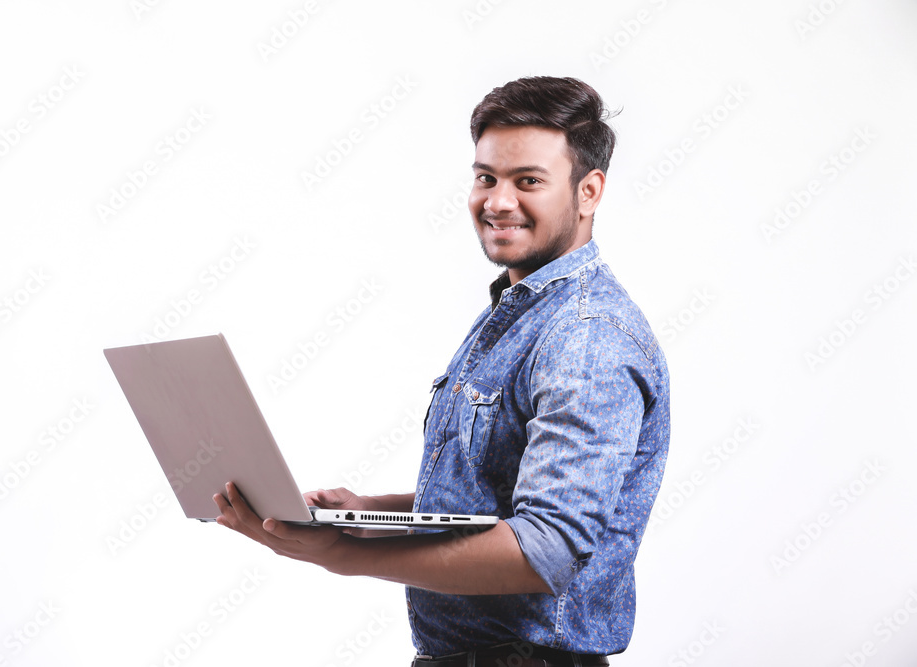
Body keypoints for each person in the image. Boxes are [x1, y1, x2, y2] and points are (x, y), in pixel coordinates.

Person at [213, 76, 670, 666]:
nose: (498, 201)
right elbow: (497, 497)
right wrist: (367, 515)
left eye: (528, 180)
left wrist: (339, 554)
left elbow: (545, 549)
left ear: (589, 192)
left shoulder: (585, 335)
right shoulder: (519, 315)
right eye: (486, 178)